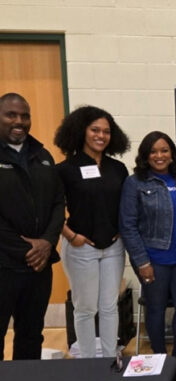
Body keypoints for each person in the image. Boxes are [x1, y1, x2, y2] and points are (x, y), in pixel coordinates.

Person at [120, 131, 176, 359]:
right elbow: (128, 226)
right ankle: (158, 357)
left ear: (171, 153)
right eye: (153, 151)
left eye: (164, 150)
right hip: (153, 260)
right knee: (156, 308)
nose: (159, 155)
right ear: (146, 156)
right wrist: (142, 262)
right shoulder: (135, 183)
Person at [55, 106, 130, 358]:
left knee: (109, 307)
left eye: (106, 131)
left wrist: (121, 229)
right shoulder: (64, 169)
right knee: (85, 308)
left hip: (113, 248)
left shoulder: (117, 169)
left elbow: (126, 205)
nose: (101, 135)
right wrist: (69, 235)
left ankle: (110, 358)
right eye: (95, 130)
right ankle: (87, 362)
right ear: (81, 131)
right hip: (80, 247)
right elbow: (52, 210)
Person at [0, 93, 64, 360]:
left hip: (38, 267)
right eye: (11, 115)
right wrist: (28, 248)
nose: (19, 121)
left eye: (25, 115)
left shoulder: (43, 156)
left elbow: (58, 203)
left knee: (31, 333)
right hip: (4, 264)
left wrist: (47, 242)